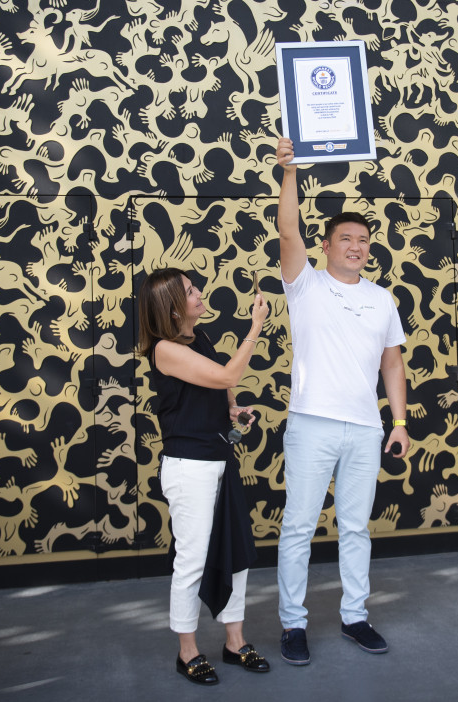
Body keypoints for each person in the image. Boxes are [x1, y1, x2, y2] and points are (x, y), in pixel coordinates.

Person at [275, 137, 410, 665]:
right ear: (327, 246)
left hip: (365, 429)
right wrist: (290, 172)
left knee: (356, 528)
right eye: (346, 239)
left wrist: (398, 422)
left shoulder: (381, 298)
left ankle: (355, 617)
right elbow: (288, 230)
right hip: (312, 424)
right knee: (299, 527)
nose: (356, 247)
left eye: (363, 241)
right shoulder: (304, 284)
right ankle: (293, 624)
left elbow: (392, 364)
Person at [137, 267, 271, 684]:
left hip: (220, 460)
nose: (199, 294)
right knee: (192, 561)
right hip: (189, 467)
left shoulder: (201, 338)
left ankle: (235, 642)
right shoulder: (163, 350)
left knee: (235, 553)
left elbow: (218, 389)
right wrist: (255, 327)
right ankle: (188, 652)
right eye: (191, 291)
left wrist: (232, 410)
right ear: (173, 308)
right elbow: (228, 375)